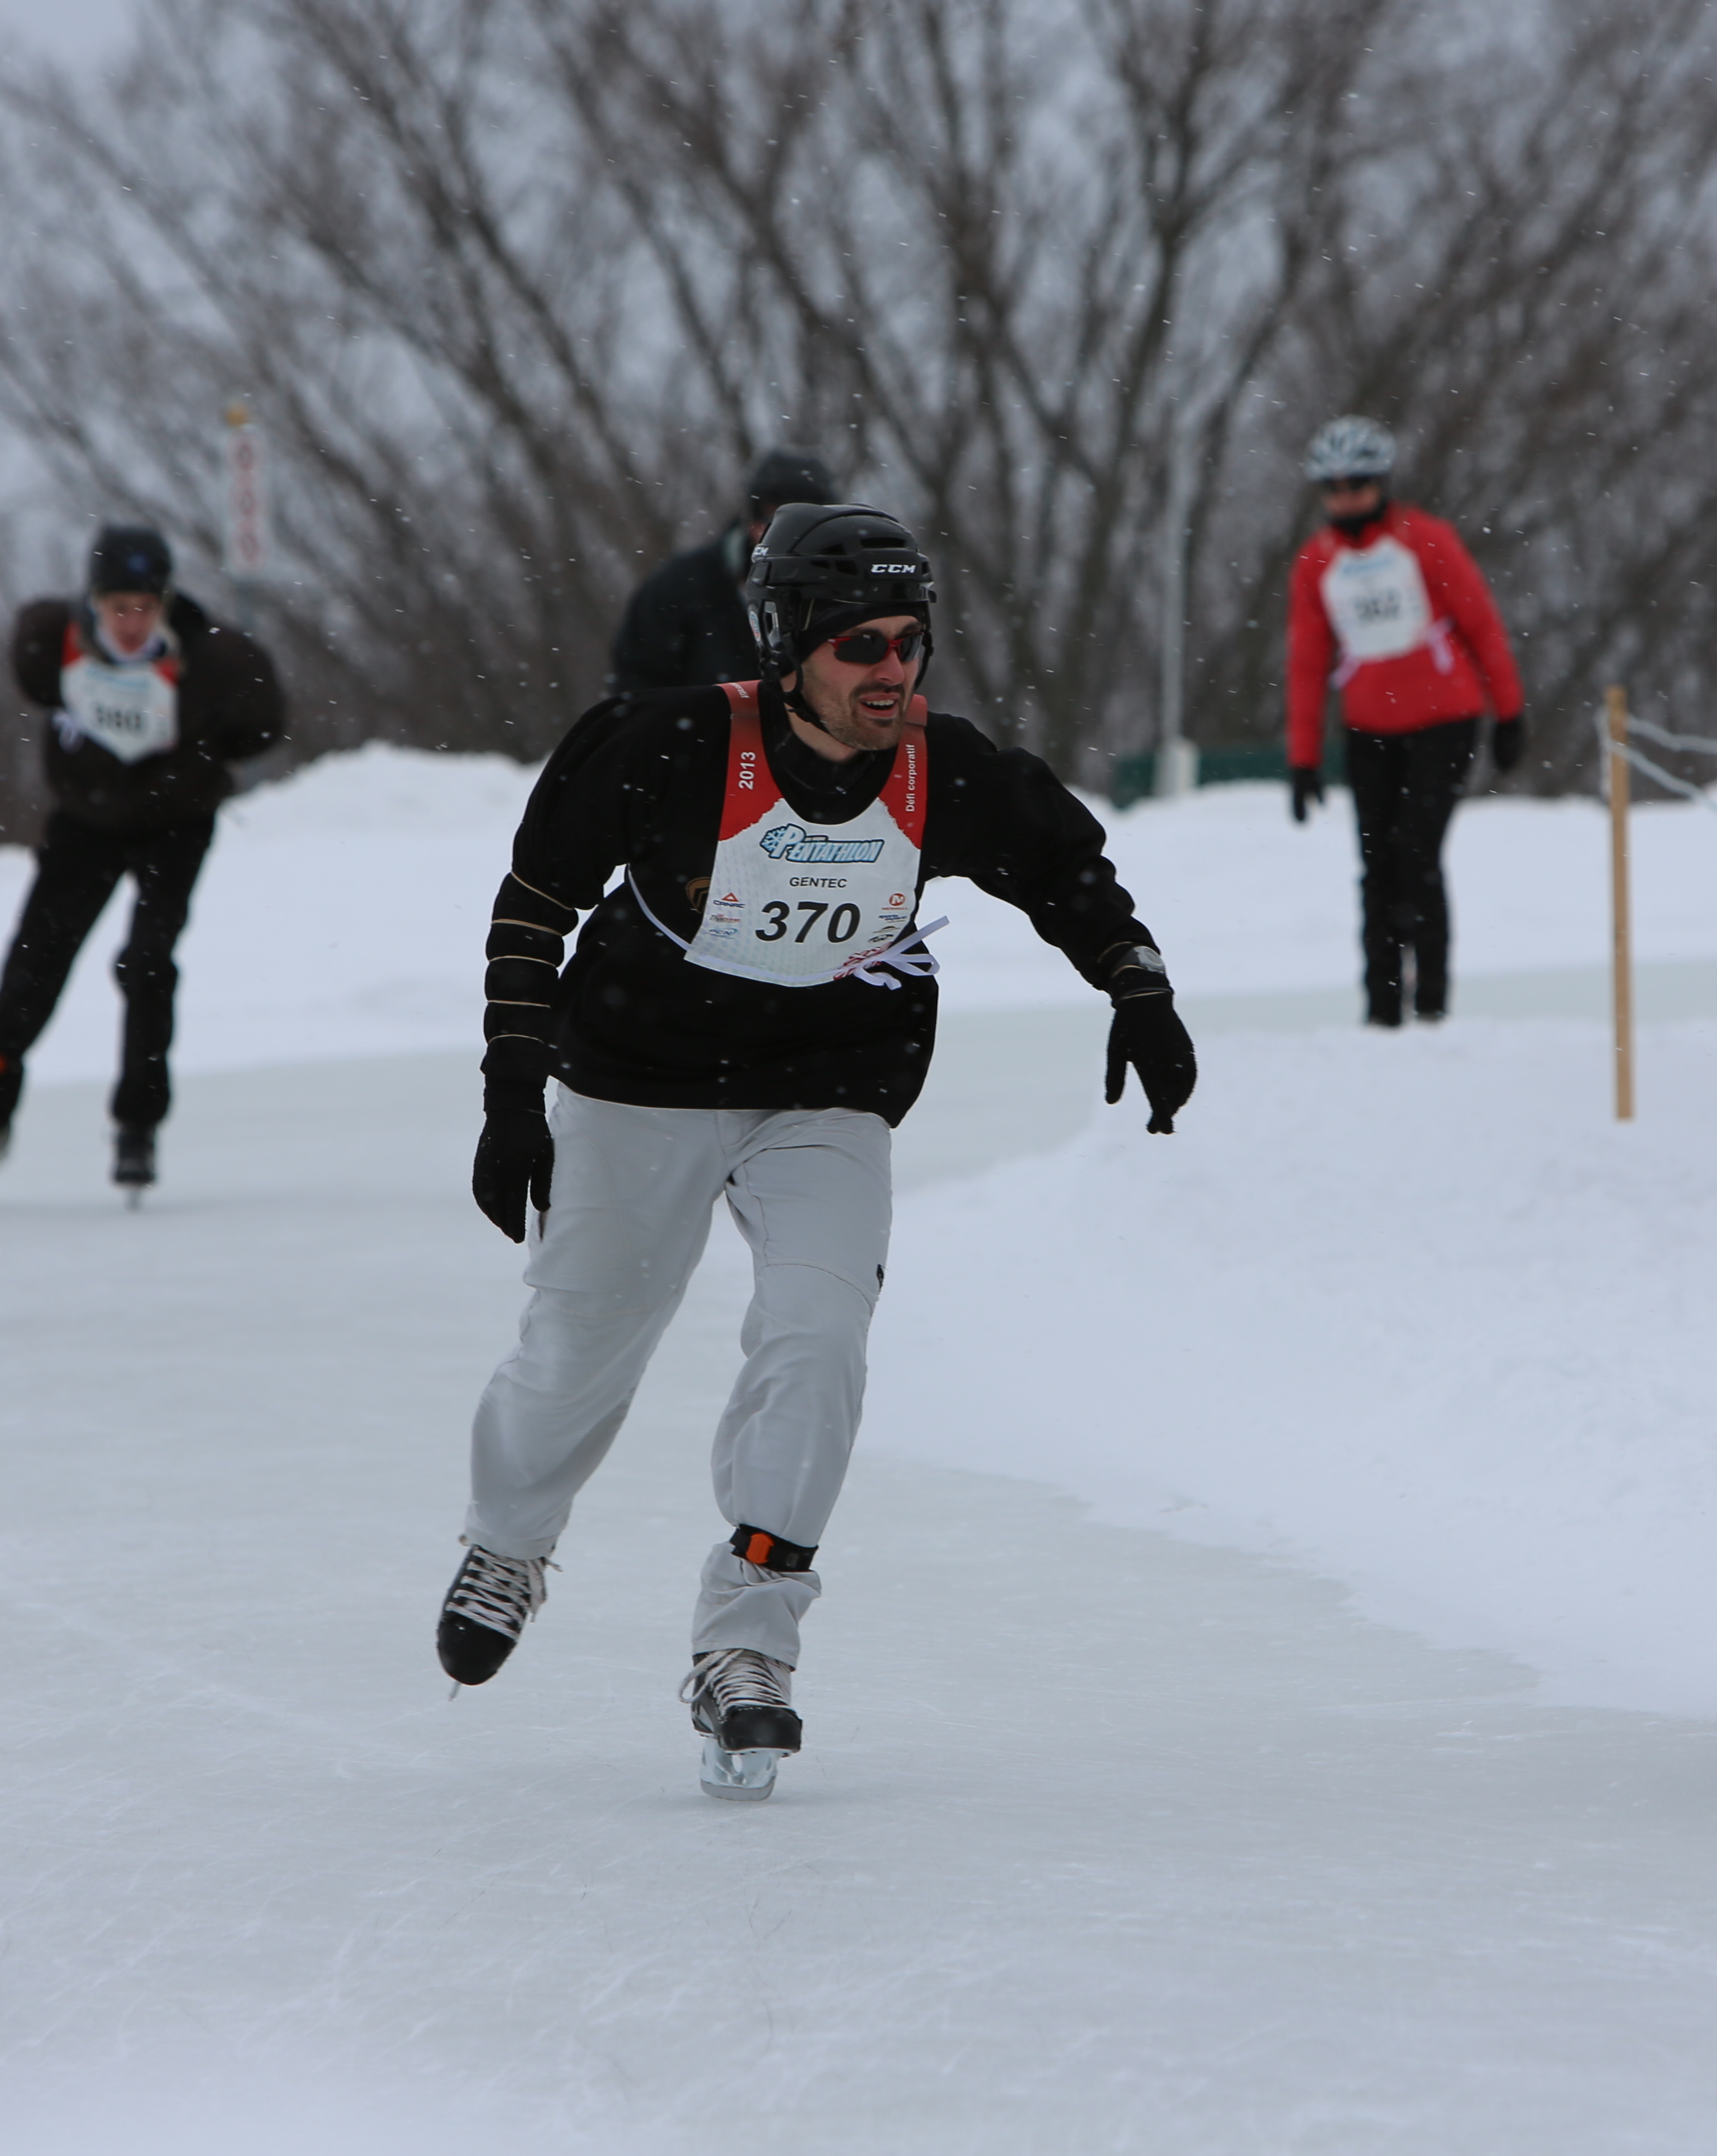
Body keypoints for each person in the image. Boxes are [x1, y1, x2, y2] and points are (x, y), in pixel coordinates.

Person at [442, 502, 1197, 1801]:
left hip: (827, 1091)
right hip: (640, 1078)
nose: (893, 672)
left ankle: (749, 1639)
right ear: (788, 647)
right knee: (582, 1343)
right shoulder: (671, 746)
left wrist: (1139, 987)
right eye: (861, 647)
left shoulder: (942, 769)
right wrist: (513, 1092)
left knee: (820, 1338)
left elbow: (1064, 869)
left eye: (910, 642)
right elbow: (536, 904)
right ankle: (507, 1544)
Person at [0, 524, 283, 1203]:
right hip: (86, 823)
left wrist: (199, 760)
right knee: (34, 966)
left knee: (147, 963)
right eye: (118, 608)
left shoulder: (215, 659)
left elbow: (261, 726)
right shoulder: (53, 643)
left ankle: (138, 1124)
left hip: (175, 826)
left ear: (166, 603)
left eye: (146, 607)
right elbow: (30, 665)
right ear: (93, 604)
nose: (133, 623)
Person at [1280, 417, 1525, 1027]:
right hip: (1369, 731)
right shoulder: (1316, 563)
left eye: (1358, 485)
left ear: (1381, 483)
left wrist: (1510, 712)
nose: (1346, 499)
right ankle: (1383, 1008)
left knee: (1415, 854)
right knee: (1376, 867)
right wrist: (1303, 758)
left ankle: (1433, 1003)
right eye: (1334, 489)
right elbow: (1307, 663)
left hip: (1446, 721)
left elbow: (1481, 624)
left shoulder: (1427, 541)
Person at [609, 448, 839, 694]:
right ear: (751, 518)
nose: (788, 534)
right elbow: (637, 686)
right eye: (773, 517)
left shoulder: (850, 590)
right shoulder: (681, 587)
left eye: (808, 522)